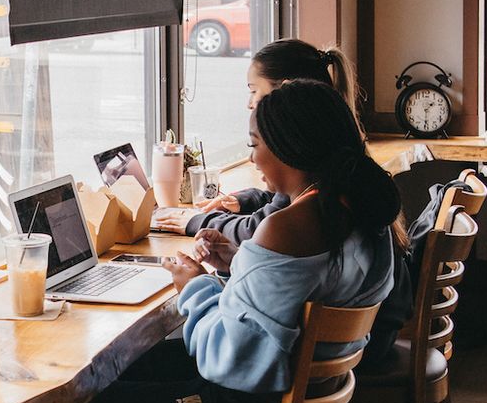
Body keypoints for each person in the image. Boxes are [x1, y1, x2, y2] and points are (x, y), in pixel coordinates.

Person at [58, 78, 398, 403]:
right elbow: (291, 295)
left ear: (290, 147)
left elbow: (232, 359)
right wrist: (240, 260)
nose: (252, 157)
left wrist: (194, 285)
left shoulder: (290, 224)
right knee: (125, 368)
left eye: (255, 144)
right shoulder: (358, 211)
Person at [152, 38, 364, 268]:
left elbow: (260, 228)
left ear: (284, 92)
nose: (250, 104)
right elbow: (279, 203)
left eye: (254, 91)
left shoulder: (307, 175)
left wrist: (197, 222)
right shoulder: (336, 150)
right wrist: (245, 200)